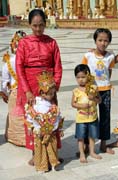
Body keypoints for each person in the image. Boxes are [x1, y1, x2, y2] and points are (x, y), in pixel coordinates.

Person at [15, 9, 62, 164]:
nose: (38, 29)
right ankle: (37, 153)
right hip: (30, 84)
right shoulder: (23, 43)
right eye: (35, 25)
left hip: (49, 87)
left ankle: (52, 152)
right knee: (34, 119)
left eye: (41, 25)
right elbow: (19, 67)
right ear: (29, 25)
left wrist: (54, 86)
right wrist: (27, 91)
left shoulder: (52, 42)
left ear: (45, 24)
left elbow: (58, 66)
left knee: (50, 117)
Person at [82, 28, 115, 154]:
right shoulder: (88, 56)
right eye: (100, 40)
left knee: (105, 116)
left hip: (105, 90)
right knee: (88, 116)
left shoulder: (110, 57)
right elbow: (83, 72)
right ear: (95, 40)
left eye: (106, 41)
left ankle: (103, 143)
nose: (103, 43)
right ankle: (86, 145)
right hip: (91, 91)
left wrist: (104, 84)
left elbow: (109, 71)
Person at [24, 71, 64, 172]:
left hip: (51, 132)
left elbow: (58, 116)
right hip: (39, 132)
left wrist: (60, 128)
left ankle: (54, 163)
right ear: (42, 92)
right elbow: (30, 114)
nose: (52, 95)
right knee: (40, 149)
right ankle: (42, 166)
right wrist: (29, 127)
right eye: (50, 93)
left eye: (53, 93)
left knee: (52, 148)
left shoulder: (53, 105)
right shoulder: (36, 103)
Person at [71, 64, 102, 163]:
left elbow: (100, 101)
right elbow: (73, 103)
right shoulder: (76, 91)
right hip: (81, 119)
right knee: (81, 137)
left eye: (83, 77)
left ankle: (92, 151)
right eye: (78, 77)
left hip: (92, 117)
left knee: (92, 136)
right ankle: (82, 153)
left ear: (88, 76)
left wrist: (94, 98)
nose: (81, 80)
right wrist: (81, 106)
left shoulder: (93, 88)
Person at [1, 31, 26, 146]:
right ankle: (26, 138)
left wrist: (4, 93)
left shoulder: (8, 62)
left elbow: (4, 81)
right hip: (27, 91)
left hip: (15, 92)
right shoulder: (28, 60)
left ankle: (15, 137)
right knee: (26, 113)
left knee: (15, 114)